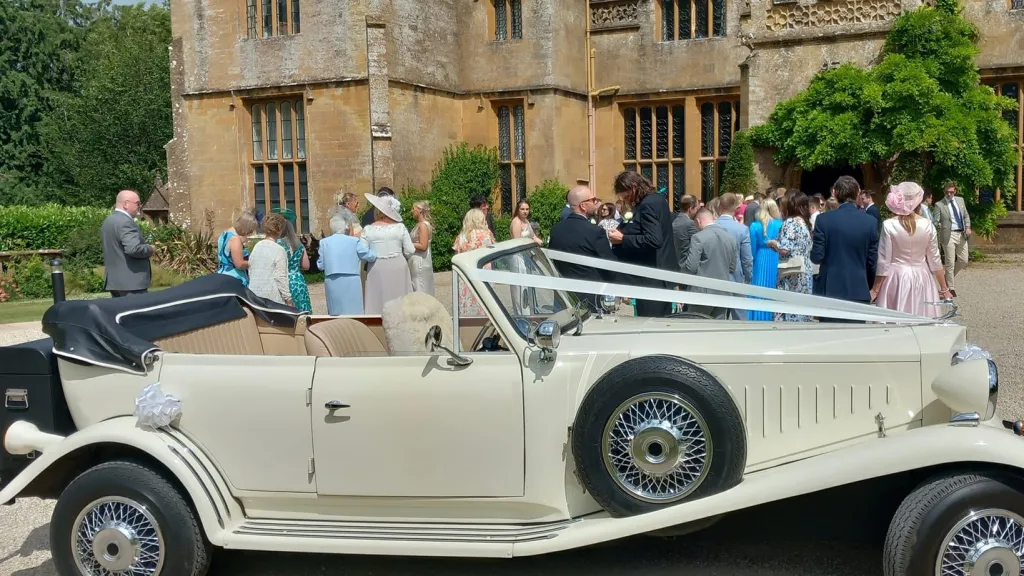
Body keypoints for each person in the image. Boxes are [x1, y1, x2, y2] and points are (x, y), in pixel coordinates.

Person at [870, 182, 951, 317]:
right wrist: (944, 288)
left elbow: (884, 261)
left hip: (896, 277)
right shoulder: (927, 225)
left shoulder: (889, 225)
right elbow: (935, 260)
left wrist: (875, 289)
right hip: (922, 277)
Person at [606, 172, 676, 317]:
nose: (625, 200)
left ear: (634, 187)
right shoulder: (657, 200)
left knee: (650, 325)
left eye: (626, 196)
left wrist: (623, 238)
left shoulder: (648, 204)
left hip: (652, 278)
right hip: (662, 275)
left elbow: (654, 239)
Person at [810, 175, 879, 319]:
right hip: (859, 287)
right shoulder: (870, 222)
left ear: (834, 193)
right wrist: (872, 287)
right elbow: (872, 261)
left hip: (830, 289)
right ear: (858, 192)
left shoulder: (824, 220)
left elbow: (817, 257)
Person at [548, 185, 618, 311]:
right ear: (583, 205)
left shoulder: (556, 230)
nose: (596, 203)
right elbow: (609, 266)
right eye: (593, 200)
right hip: (590, 298)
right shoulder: (595, 232)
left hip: (563, 296)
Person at [362, 192, 415, 316]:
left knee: (378, 299)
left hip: (377, 265)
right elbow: (410, 250)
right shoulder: (400, 228)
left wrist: (373, 256)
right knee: (400, 299)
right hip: (398, 264)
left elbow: (363, 252)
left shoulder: (368, 229)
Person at [683, 208, 737, 320]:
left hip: (702, 293)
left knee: (696, 327)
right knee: (717, 331)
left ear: (698, 221)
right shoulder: (730, 238)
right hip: (723, 291)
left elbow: (691, 267)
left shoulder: (698, 237)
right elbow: (732, 267)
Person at [318, 214, 377, 315]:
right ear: (345, 227)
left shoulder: (324, 242)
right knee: (354, 311)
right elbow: (369, 255)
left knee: (335, 312)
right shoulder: (354, 241)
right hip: (352, 280)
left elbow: (320, 265)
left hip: (332, 280)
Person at [101, 190, 155, 297]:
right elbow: (133, 249)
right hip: (131, 283)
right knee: (137, 313)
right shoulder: (126, 222)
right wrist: (150, 249)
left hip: (115, 282)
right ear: (126, 204)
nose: (139, 207)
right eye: (137, 203)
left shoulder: (108, 221)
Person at [770, 191, 815, 322]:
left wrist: (773, 243)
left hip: (791, 274)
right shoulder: (804, 223)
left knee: (789, 310)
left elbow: (784, 249)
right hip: (804, 271)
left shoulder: (790, 223)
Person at [714, 193, 753, 319]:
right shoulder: (742, 229)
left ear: (719, 205)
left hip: (714, 276)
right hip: (736, 276)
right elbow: (746, 258)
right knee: (740, 317)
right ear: (736, 208)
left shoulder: (711, 226)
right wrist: (748, 276)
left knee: (717, 316)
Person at [453, 208, 496, 316]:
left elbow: (456, 257)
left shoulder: (462, 237)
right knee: (486, 300)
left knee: (468, 300)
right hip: (484, 272)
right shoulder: (487, 234)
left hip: (467, 272)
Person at [933, 179, 971, 297]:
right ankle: (951, 287)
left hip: (961, 234)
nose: (949, 194)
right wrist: (939, 226)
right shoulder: (939, 204)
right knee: (950, 263)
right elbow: (935, 221)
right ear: (944, 192)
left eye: (951, 192)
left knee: (963, 260)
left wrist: (968, 227)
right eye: (947, 192)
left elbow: (965, 215)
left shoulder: (960, 200)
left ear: (955, 191)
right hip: (948, 235)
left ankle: (946, 278)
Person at [747, 198, 783, 321]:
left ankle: (758, 317)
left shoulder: (755, 226)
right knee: (774, 285)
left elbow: (752, 247)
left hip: (760, 257)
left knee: (759, 286)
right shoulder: (781, 224)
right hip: (775, 256)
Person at [271, 208, 312, 313]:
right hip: (298, 280)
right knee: (302, 311)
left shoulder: (276, 244)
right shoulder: (299, 245)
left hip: (283, 281)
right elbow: (306, 266)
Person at [247, 213, 292, 306]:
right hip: (272, 298)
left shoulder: (257, 247)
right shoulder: (279, 250)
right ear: (279, 230)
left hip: (255, 296)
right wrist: (288, 299)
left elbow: (250, 268)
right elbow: (280, 277)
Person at [216, 211, 258, 286]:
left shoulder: (224, 234)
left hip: (223, 274)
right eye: (250, 231)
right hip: (234, 279)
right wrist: (255, 263)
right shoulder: (235, 239)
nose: (250, 233)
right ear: (245, 227)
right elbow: (239, 264)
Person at [409, 200, 435, 296]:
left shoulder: (423, 226)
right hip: (416, 261)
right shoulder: (419, 225)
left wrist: (408, 244)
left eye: (413, 208)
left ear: (420, 210)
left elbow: (423, 246)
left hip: (420, 262)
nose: (411, 211)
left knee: (420, 289)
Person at [672, 194, 699, 273]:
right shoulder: (690, 224)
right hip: (686, 266)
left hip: (676, 264)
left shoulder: (674, 221)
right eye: (696, 208)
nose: (697, 211)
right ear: (691, 208)